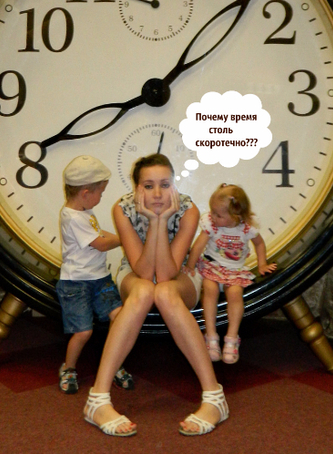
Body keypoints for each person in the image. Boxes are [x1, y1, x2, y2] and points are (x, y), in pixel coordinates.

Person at [83, 153, 228, 438]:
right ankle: (97, 400)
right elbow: (142, 270)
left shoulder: (188, 209)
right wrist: (154, 221)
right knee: (143, 291)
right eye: (148, 186)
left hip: (180, 271)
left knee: (163, 291)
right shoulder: (122, 208)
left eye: (165, 184)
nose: (158, 193)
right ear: (137, 188)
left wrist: (161, 221)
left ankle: (214, 397)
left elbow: (166, 274)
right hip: (135, 271)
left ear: (174, 184)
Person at [56, 155, 133, 395]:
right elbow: (100, 243)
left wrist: (120, 235)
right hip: (76, 283)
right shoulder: (72, 217)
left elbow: (100, 234)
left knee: (119, 317)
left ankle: (114, 363)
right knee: (83, 331)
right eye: (100, 192)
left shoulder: (84, 211)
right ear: (86, 192)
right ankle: (68, 368)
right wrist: (126, 237)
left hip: (99, 278)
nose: (101, 197)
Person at [185, 183, 277, 364]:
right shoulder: (212, 225)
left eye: (218, 215)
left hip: (234, 271)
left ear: (237, 216)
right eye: (212, 212)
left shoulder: (247, 228)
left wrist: (262, 264)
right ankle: (211, 335)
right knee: (209, 290)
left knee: (235, 294)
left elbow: (259, 244)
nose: (213, 216)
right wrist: (190, 265)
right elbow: (198, 246)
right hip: (212, 266)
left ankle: (232, 338)